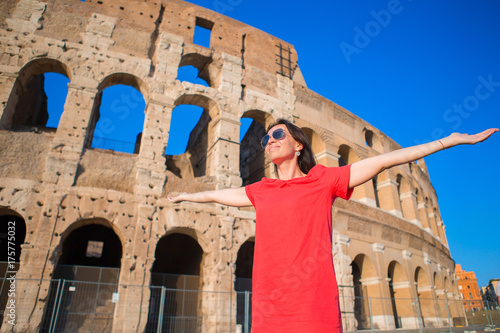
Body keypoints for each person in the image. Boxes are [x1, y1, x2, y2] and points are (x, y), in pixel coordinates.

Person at [168, 119, 498, 332]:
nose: (270, 140)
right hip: (268, 313)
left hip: (315, 311)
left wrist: (449, 141)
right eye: (267, 138)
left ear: (298, 145)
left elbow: (383, 160)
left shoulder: (322, 180)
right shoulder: (262, 190)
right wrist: (187, 195)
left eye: (278, 134)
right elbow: (222, 194)